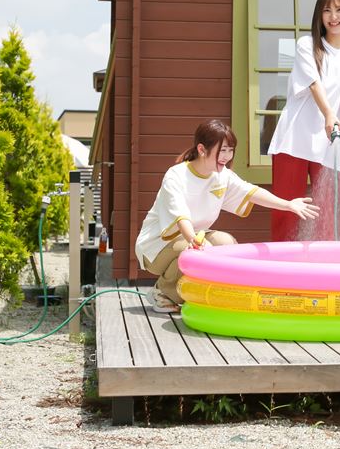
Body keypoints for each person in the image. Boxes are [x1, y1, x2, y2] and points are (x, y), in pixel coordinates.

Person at [135, 119, 320, 313]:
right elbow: (182, 216)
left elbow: (252, 192)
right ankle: (162, 292)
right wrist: (194, 240)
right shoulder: (176, 175)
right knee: (196, 252)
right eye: (222, 150)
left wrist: (288, 204)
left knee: (226, 243)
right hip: (155, 247)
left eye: (230, 150)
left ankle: (208, 292)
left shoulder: (222, 175)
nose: (227, 156)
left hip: (193, 237)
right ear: (201, 149)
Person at [267, 0, 340, 241]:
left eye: (339, 9)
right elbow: (313, 83)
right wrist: (328, 114)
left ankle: (324, 272)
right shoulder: (307, 45)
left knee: (327, 215)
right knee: (287, 208)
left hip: (332, 141)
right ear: (319, 15)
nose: (333, 16)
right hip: (295, 138)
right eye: (327, 10)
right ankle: (280, 272)